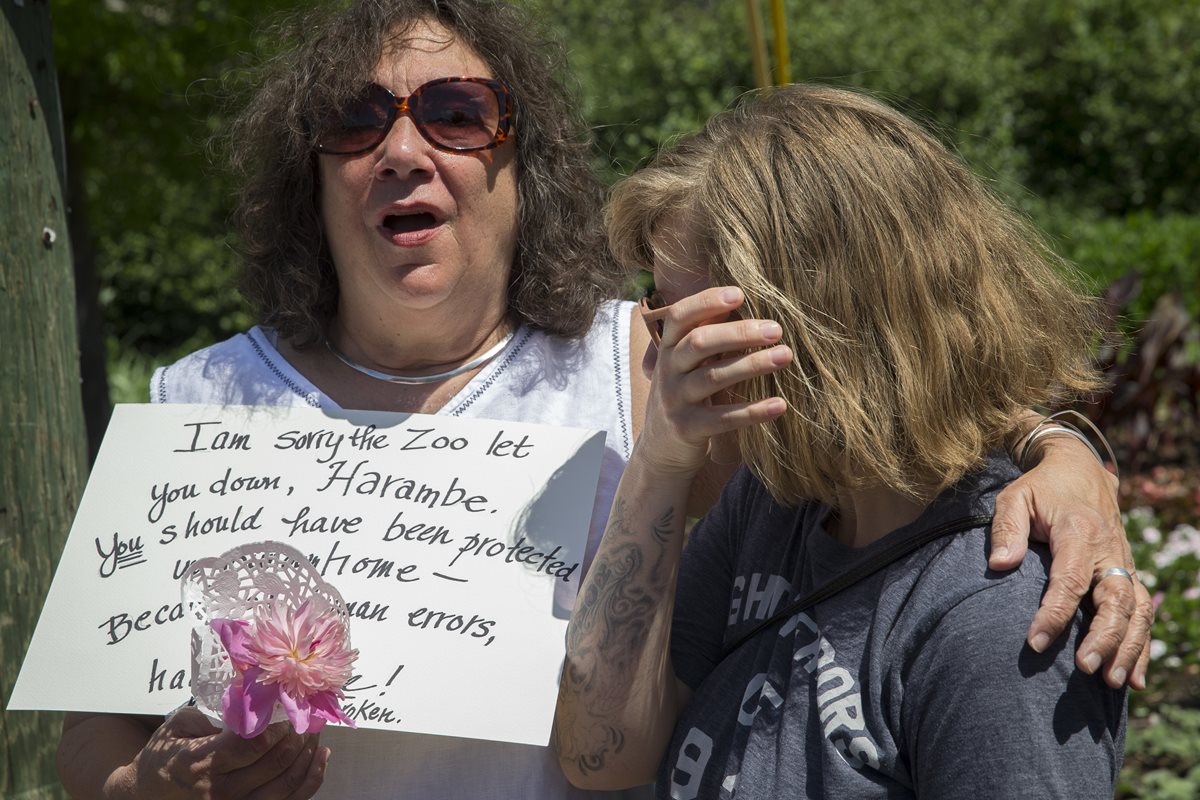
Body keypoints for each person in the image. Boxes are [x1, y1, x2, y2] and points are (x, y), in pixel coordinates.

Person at [56, 2, 1145, 798]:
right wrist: (158, 788)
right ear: (307, 169)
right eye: (353, 119)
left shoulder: (642, 361)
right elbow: (87, 762)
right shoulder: (200, 405)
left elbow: (879, 348)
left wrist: (1064, 455)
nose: (401, 150)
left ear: (522, 159)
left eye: (454, 112)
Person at [554, 84, 1132, 797]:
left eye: (686, 323)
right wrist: (661, 458)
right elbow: (598, 752)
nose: (656, 359)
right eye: (655, 312)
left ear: (821, 330)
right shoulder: (773, 505)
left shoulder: (993, 615)